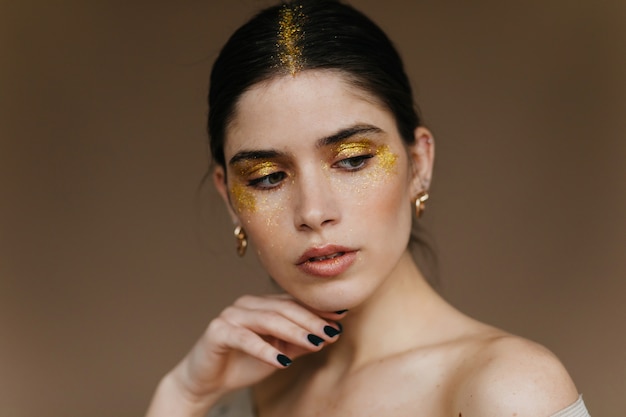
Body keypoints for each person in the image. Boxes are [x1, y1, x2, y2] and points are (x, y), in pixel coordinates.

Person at [146, 1, 591, 416]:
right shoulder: (250, 395)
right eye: (267, 177)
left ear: (419, 163)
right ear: (229, 198)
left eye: (353, 159)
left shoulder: (510, 388)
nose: (313, 211)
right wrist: (183, 393)